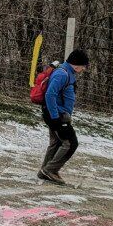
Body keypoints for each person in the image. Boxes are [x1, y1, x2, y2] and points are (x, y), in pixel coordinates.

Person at [39, 49, 89, 185]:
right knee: (71, 143)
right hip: (57, 115)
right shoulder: (62, 74)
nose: (84, 69)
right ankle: (50, 170)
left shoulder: (67, 73)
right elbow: (50, 95)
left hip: (58, 114)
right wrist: (55, 117)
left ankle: (44, 170)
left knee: (57, 142)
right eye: (83, 66)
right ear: (77, 64)